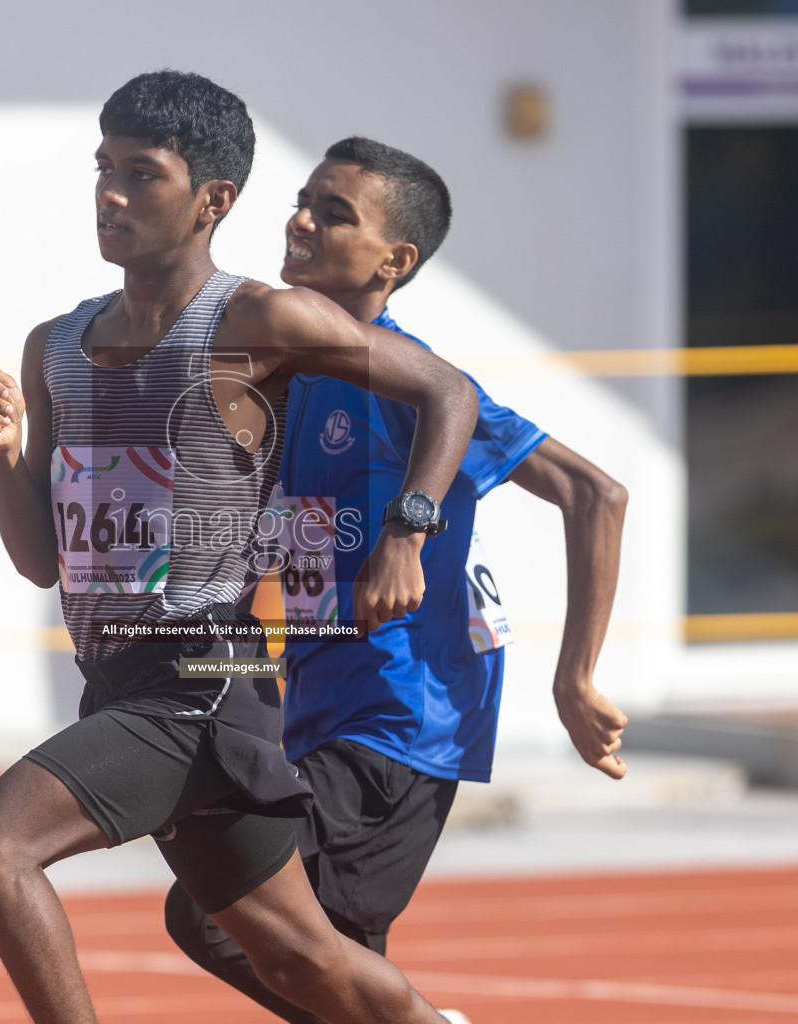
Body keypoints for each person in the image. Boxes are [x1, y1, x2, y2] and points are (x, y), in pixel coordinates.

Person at [0, 71, 481, 1024]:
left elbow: (448, 394)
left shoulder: (255, 322)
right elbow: (41, 562)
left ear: (213, 201)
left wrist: (409, 530)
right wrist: (5, 455)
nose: (110, 193)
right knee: (301, 959)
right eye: (103, 168)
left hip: (206, 668)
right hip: (117, 673)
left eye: (141, 174)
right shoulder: (55, 347)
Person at [161, 137, 630, 1023]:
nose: (300, 220)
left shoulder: (404, 375)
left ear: (394, 261)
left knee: (224, 912)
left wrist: (576, 677)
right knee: (322, 956)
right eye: (302, 200)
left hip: (401, 719)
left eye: (334, 214)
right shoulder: (281, 373)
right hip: (311, 711)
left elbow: (594, 492)